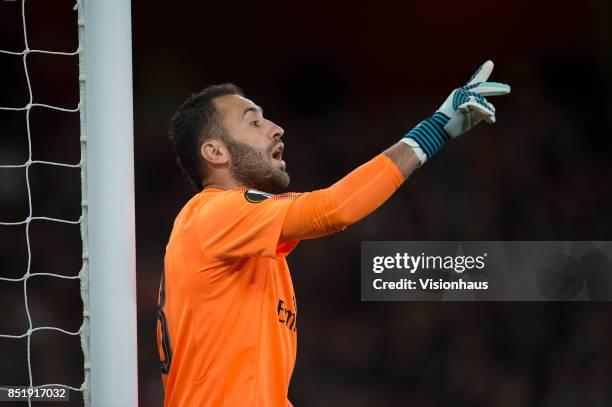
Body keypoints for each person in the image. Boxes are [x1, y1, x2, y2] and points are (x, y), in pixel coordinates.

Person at [157, 61, 510, 406]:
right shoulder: (212, 213)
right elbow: (334, 209)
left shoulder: (240, 245)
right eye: (254, 121)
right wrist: (435, 130)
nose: (276, 128)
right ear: (215, 152)